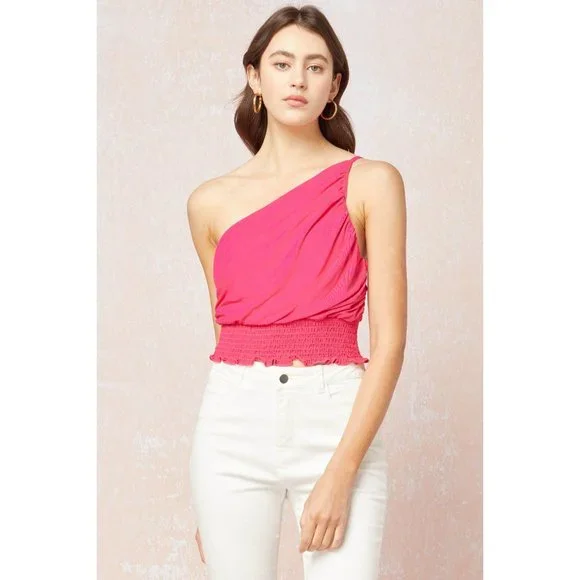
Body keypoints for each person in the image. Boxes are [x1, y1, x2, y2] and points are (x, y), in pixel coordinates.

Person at [186, 5, 407, 579]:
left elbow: (388, 344)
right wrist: (212, 500)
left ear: (334, 86)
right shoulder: (209, 202)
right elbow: (226, 327)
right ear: (255, 77)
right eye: (282, 64)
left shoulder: (372, 182)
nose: (298, 79)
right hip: (231, 425)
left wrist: (343, 471)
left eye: (316, 66)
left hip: (335, 419)